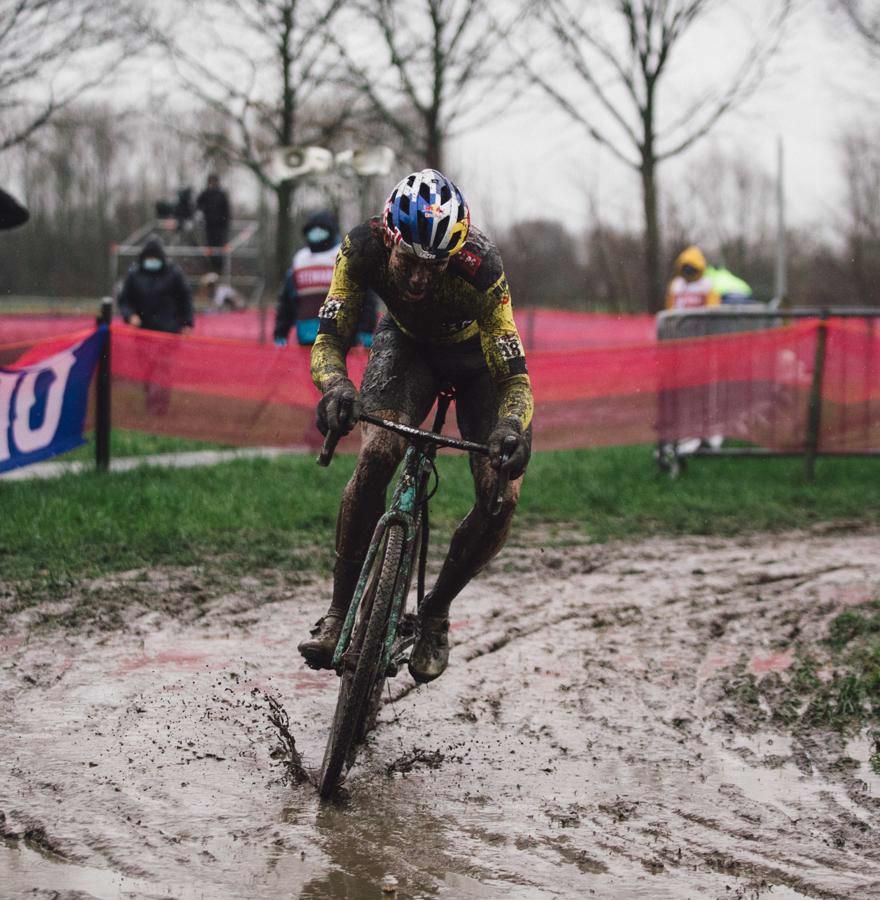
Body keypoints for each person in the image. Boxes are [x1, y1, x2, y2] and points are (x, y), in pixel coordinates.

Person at [298, 169, 533, 684]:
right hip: (407, 349)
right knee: (378, 452)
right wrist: (337, 388)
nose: (421, 278)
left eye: (436, 265)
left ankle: (435, 612)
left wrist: (511, 425)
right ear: (390, 236)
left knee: (502, 496)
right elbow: (328, 340)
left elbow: (515, 377)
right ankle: (339, 613)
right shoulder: (362, 247)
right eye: (410, 262)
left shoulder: (481, 267)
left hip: (479, 366)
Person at [274, 210, 377, 347]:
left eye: (321, 228)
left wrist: (366, 328)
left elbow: (365, 296)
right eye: (312, 229)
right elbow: (287, 300)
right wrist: (281, 331)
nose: (316, 233)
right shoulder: (300, 260)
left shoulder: (345, 256)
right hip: (307, 337)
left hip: (343, 337)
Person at [117, 237, 194, 334]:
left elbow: (185, 299)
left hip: (170, 330)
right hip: (143, 331)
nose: (152, 259)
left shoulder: (174, 273)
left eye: (155, 256)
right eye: (149, 256)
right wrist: (130, 315)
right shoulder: (134, 274)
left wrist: (187, 323)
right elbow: (124, 300)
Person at [665, 245, 753, 309]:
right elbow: (670, 307)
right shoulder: (676, 285)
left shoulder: (706, 284)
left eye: (692, 268)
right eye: (686, 268)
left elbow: (713, 307)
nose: (689, 272)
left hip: (702, 328)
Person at [196, 174, 231, 274]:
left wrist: (225, 226)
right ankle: (210, 268)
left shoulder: (221, 195)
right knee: (210, 248)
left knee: (219, 249)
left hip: (219, 227)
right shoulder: (205, 194)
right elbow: (198, 205)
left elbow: (226, 212)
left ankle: (218, 269)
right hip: (209, 227)